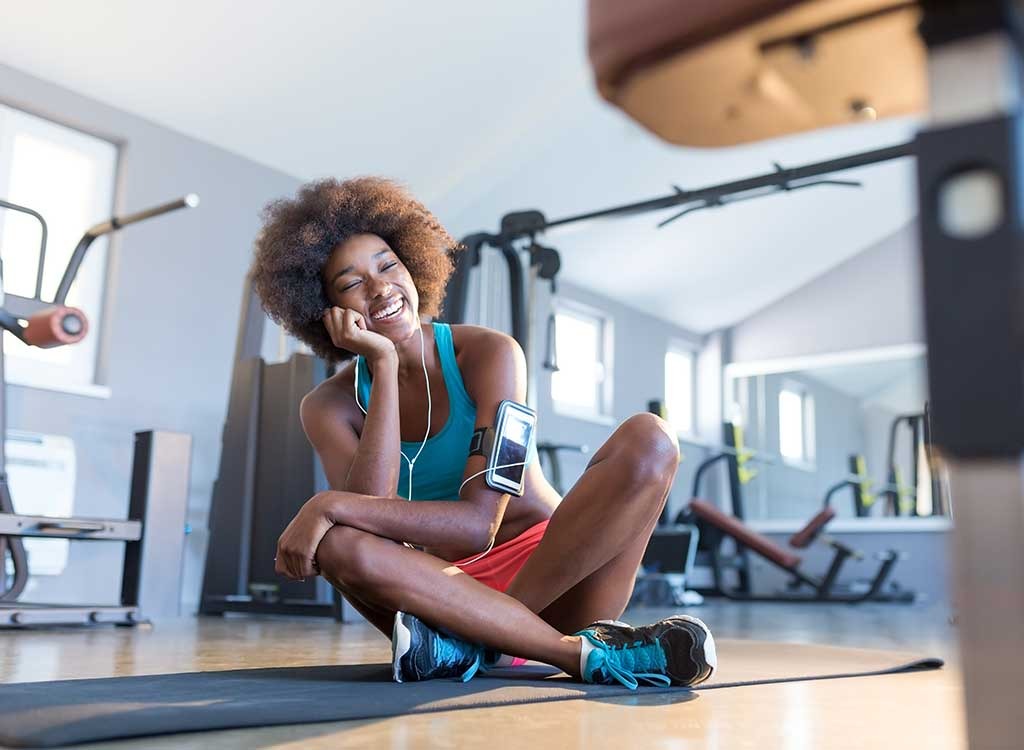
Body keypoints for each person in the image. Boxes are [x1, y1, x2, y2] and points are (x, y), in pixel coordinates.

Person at [250, 176, 716, 688]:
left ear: (412, 266)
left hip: (558, 579)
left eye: (388, 265)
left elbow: (478, 526)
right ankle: (573, 655)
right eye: (351, 282)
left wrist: (323, 504)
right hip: (445, 591)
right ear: (327, 311)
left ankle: (476, 646)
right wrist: (382, 364)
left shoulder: (491, 355)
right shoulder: (328, 406)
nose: (380, 287)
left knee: (651, 438)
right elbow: (368, 524)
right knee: (339, 544)